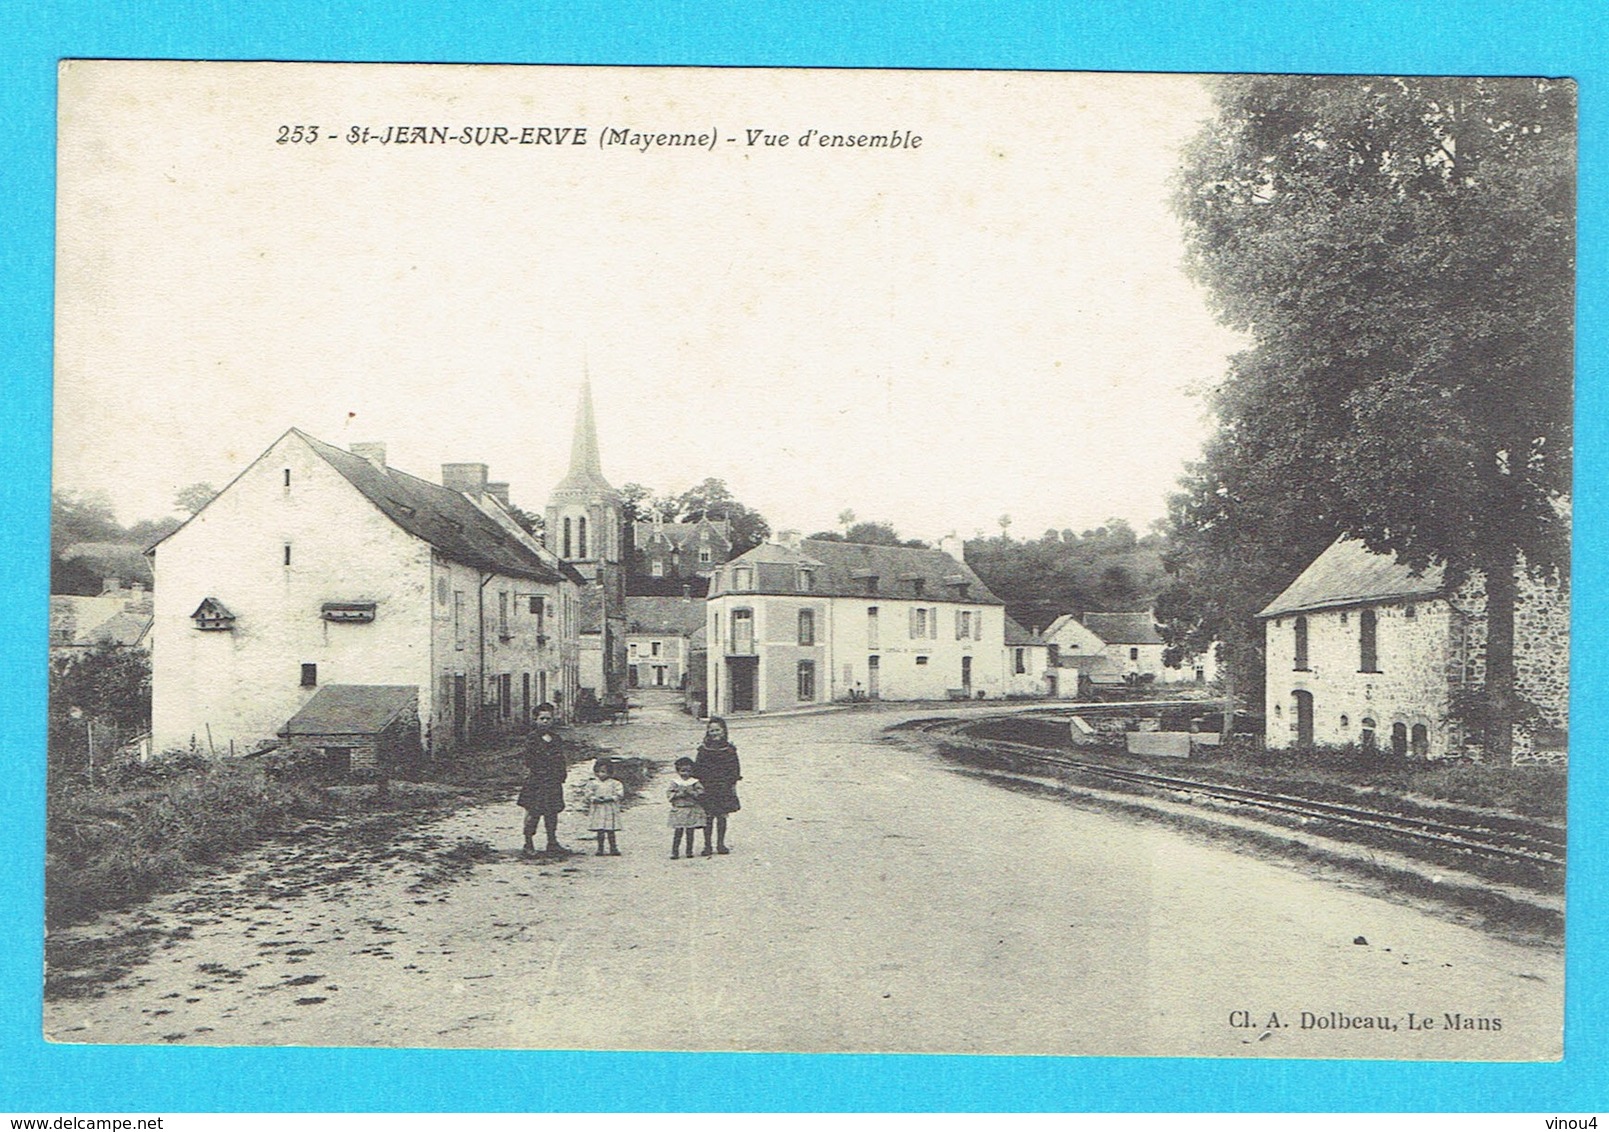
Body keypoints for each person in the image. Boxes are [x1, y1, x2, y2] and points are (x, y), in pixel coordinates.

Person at [517, 702, 567, 858]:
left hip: (553, 781)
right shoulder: (532, 738)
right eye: (542, 718)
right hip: (537, 781)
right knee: (533, 812)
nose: (545, 722)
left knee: (552, 813)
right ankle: (528, 843)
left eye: (548, 718)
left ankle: (552, 842)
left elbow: (561, 758)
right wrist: (539, 771)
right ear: (535, 720)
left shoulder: (556, 738)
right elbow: (528, 759)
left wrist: (561, 774)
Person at [692, 716, 741, 856]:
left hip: (724, 786)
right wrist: (698, 784)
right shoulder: (703, 750)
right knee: (708, 816)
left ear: (724, 731)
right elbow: (698, 768)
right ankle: (707, 845)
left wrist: (733, 784)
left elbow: (735, 768)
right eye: (711, 731)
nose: (715, 733)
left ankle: (721, 844)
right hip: (708, 785)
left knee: (722, 816)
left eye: (717, 730)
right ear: (708, 732)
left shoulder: (730, 749)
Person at [666, 757, 706, 860]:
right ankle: (675, 852)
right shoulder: (675, 782)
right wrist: (679, 794)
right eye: (683, 771)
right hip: (679, 809)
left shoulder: (694, 782)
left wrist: (692, 793)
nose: (685, 774)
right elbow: (669, 793)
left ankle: (689, 851)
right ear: (678, 771)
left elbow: (701, 793)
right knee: (678, 832)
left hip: (691, 808)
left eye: (688, 771)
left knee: (690, 832)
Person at [582, 758, 624, 856]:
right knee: (600, 829)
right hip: (598, 808)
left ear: (610, 772)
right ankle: (600, 848)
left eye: (603, 772)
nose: (600, 774)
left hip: (610, 808)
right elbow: (588, 794)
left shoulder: (615, 783)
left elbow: (619, 794)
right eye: (598, 772)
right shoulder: (593, 783)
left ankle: (613, 848)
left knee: (610, 830)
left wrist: (610, 798)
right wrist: (594, 799)